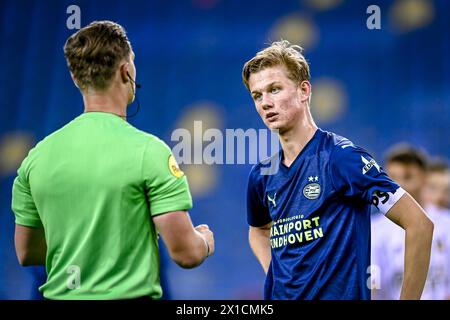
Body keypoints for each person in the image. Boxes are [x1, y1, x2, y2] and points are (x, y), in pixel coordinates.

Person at [11, 21, 214, 300]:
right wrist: (205, 241)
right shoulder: (149, 152)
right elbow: (186, 253)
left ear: (75, 78)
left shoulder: (35, 159)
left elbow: (26, 252)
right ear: (125, 71)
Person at [242, 40, 433, 300]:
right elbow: (259, 230)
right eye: (257, 95)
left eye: (275, 89)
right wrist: (276, 276)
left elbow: (419, 224)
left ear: (304, 90)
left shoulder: (341, 159)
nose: (265, 102)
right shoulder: (262, 174)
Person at [372, 147, 450, 299]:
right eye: (392, 177)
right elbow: (373, 285)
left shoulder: (447, 223)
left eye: (407, 177)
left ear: (424, 177)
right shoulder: (374, 229)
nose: (398, 185)